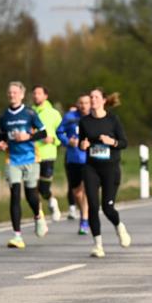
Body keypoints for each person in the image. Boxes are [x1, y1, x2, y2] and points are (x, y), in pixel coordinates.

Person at [79, 87, 131, 257]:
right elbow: (82, 142)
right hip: (91, 167)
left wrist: (112, 142)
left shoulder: (113, 120)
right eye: (90, 97)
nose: (93, 100)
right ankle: (98, 245)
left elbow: (124, 142)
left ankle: (119, 227)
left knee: (107, 207)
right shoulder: (84, 121)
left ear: (103, 100)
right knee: (93, 206)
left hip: (110, 168)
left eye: (95, 97)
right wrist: (82, 145)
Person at [0, 82, 49, 249]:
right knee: (15, 195)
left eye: (15, 92)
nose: (12, 95)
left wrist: (28, 137)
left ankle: (38, 215)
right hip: (12, 160)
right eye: (9, 92)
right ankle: (17, 236)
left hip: (31, 158)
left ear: (21, 95)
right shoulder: (4, 116)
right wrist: (1, 143)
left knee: (31, 195)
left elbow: (43, 132)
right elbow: (2, 136)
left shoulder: (30, 113)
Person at [32, 85, 64, 222]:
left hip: (48, 154)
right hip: (31, 155)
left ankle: (51, 201)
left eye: (39, 93)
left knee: (44, 188)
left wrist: (53, 139)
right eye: (34, 93)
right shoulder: (28, 112)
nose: (35, 96)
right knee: (32, 187)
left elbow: (62, 133)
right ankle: (39, 216)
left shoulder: (54, 113)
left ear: (46, 96)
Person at [60, 94, 91, 235]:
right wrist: (68, 141)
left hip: (90, 159)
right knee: (77, 193)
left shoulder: (94, 117)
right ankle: (84, 212)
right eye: (81, 103)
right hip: (73, 158)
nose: (84, 105)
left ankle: (84, 219)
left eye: (86, 103)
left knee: (88, 190)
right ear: (77, 104)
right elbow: (59, 132)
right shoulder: (70, 117)